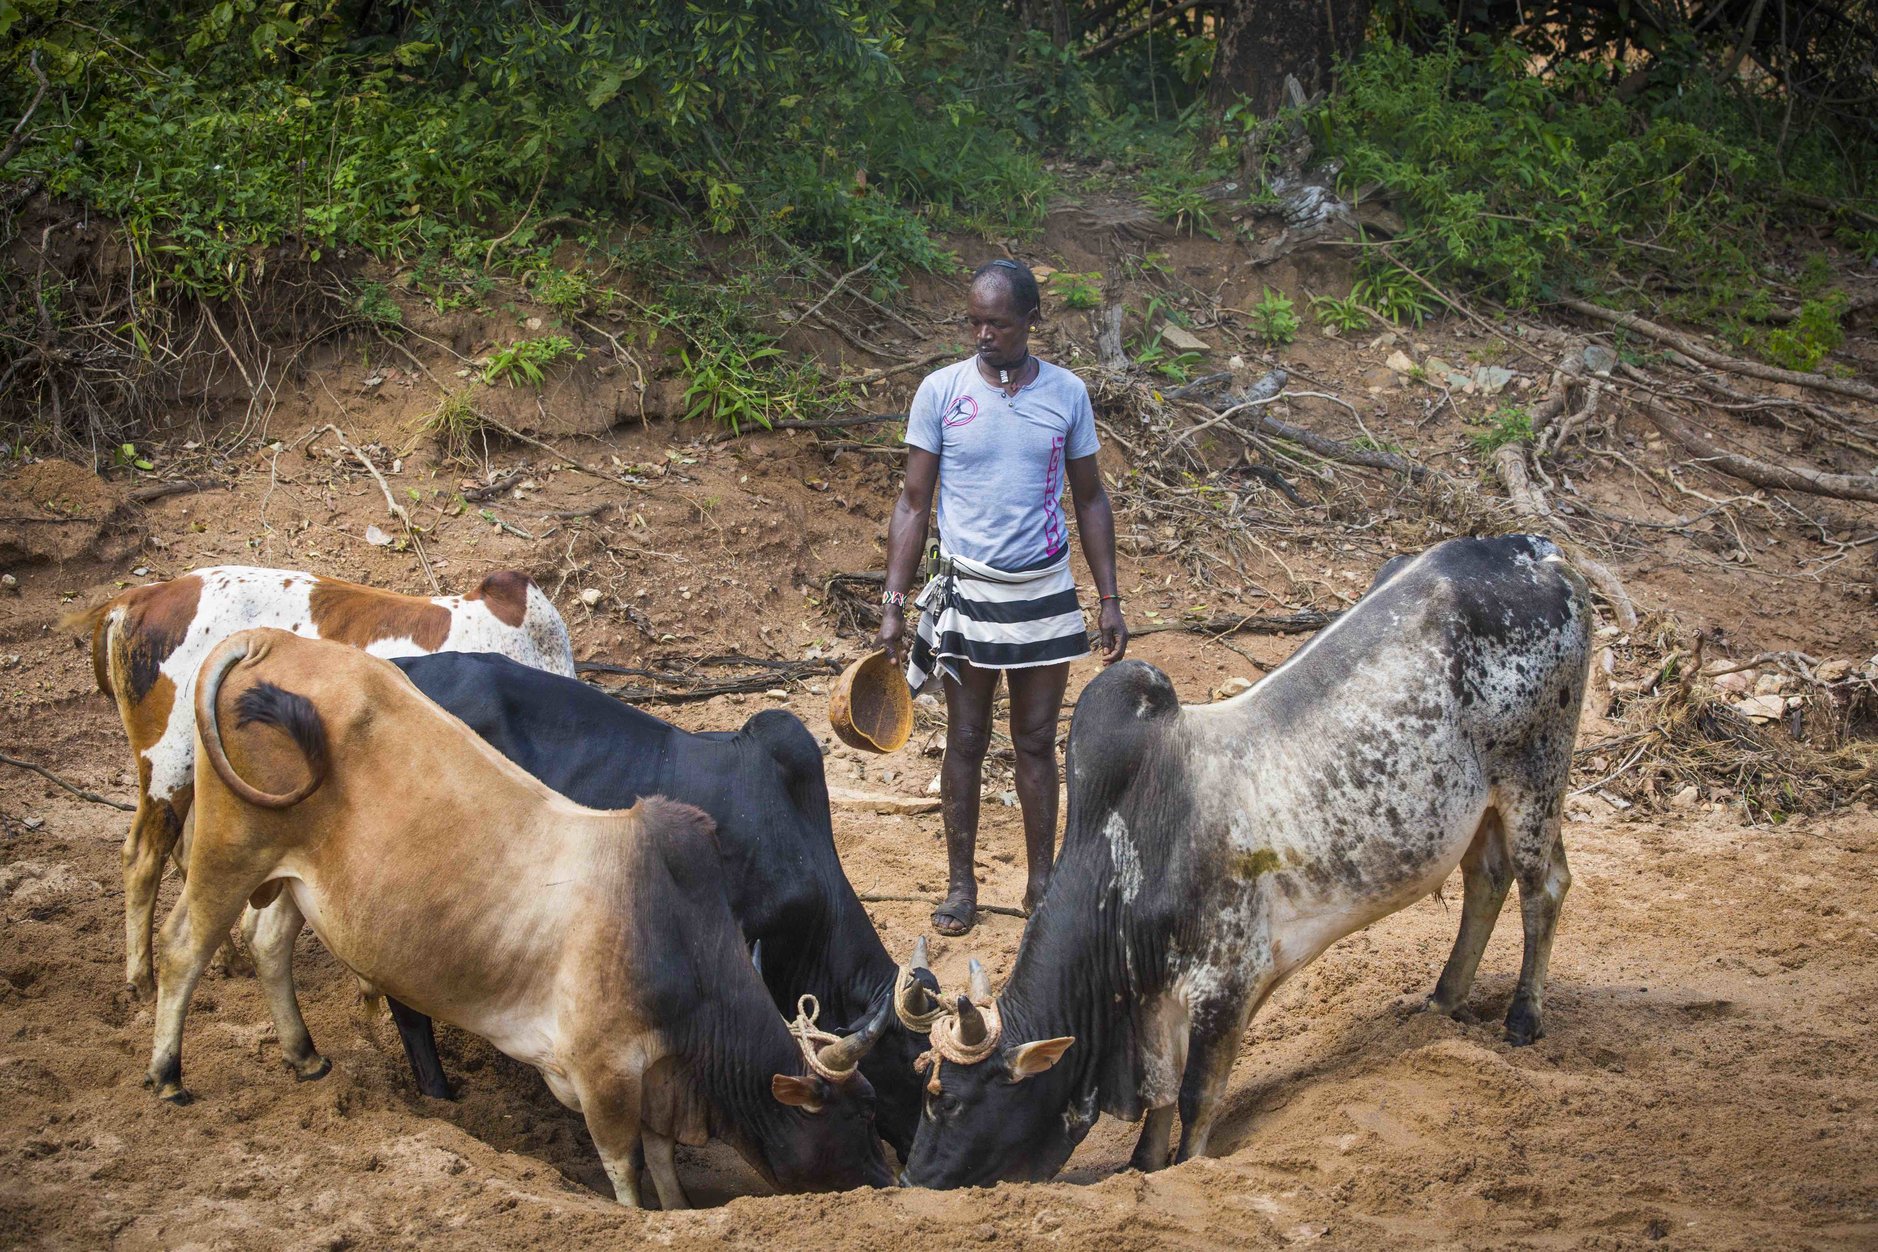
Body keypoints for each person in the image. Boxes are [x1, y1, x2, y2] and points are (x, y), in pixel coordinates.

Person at [875, 258, 1127, 938]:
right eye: (975, 322)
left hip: (1042, 591)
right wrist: (895, 600)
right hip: (968, 593)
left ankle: (1042, 885)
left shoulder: (1067, 394)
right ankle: (962, 886)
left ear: (1031, 322)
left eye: (1000, 323)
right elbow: (912, 501)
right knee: (965, 739)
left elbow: (1091, 496)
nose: (984, 335)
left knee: (1037, 742)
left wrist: (1107, 596)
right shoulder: (941, 392)